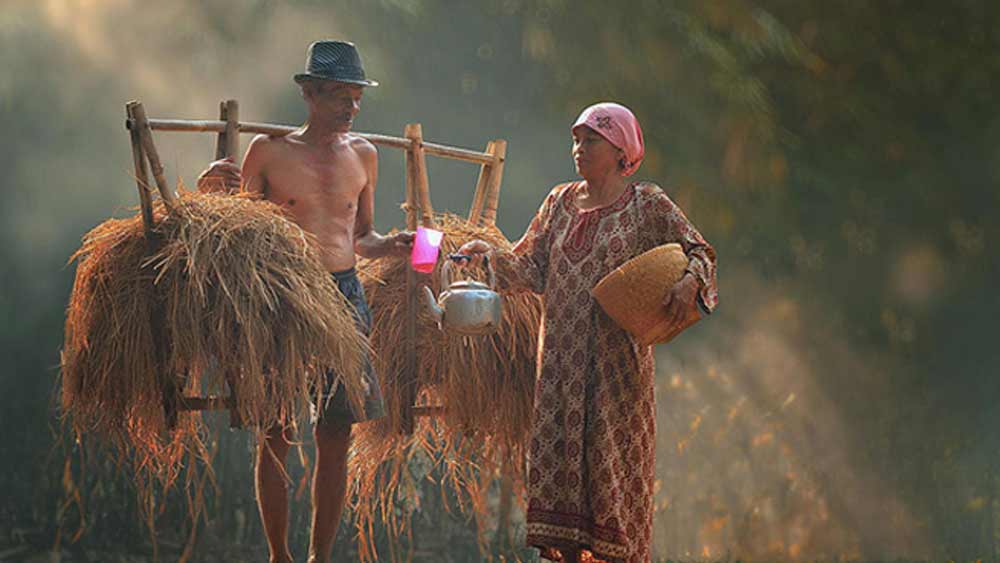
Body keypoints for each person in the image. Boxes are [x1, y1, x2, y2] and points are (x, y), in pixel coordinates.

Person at [457, 102, 718, 563]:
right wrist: (489, 256)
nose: (579, 148)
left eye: (591, 140)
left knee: (611, 485)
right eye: (576, 139)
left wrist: (689, 281)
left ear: (621, 150)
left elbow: (700, 249)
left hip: (616, 376)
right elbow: (529, 268)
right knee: (560, 500)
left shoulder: (647, 204)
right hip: (558, 370)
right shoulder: (558, 201)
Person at [197, 40, 413, 563]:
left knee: (336, 429)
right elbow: (237, 229)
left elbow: (360, 235)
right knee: (276, 425)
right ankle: (279, 556)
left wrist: (393, 245)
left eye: (356, 97)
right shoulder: (270, 153)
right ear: (310, 94)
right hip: (282, 297)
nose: (351, 107)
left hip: (344, 296)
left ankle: (319, 555)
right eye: (341, 95)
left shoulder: (364, 155)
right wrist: (210, 192)